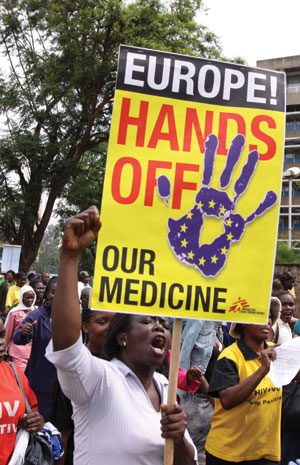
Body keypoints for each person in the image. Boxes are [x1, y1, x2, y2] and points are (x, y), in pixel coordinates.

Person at [46, 206, 197, 465]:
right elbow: (67, 348)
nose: (160, 327)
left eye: (164, 323)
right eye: (148, 321)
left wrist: (179, 436)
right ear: (123, 337)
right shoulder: (99, 379)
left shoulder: (165, 387)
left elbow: (186, 462)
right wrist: (70, 256)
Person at [205, 297, 281, 465]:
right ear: (244, 323)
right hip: (228, 455)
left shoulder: (276, 352)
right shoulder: (230, 356)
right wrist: (262, 370)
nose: (267, 321)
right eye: (260, 316)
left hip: (265, 453)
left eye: (269, 316)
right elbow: (227, 400)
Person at [0, 317, 44, 464]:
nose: (1, 342)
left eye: (2, 335)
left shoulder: (14, 372)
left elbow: (32, 411)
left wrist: (37, 421)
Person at [13, 277, 57, 421]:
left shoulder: (71, 318)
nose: (57, 296)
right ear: (46, 294)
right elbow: (18, 337)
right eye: (53, 292)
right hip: (40, 384)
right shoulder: (36, 315)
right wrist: (24, 332)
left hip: (64, 387)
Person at [4, 285, 36, 370]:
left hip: (32, 351)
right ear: (22, 297)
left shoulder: (36, 311)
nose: (30, 300)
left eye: (32, 298)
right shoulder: (14, 313)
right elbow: (8, 333)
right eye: (27, 297)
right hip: (17, 352)